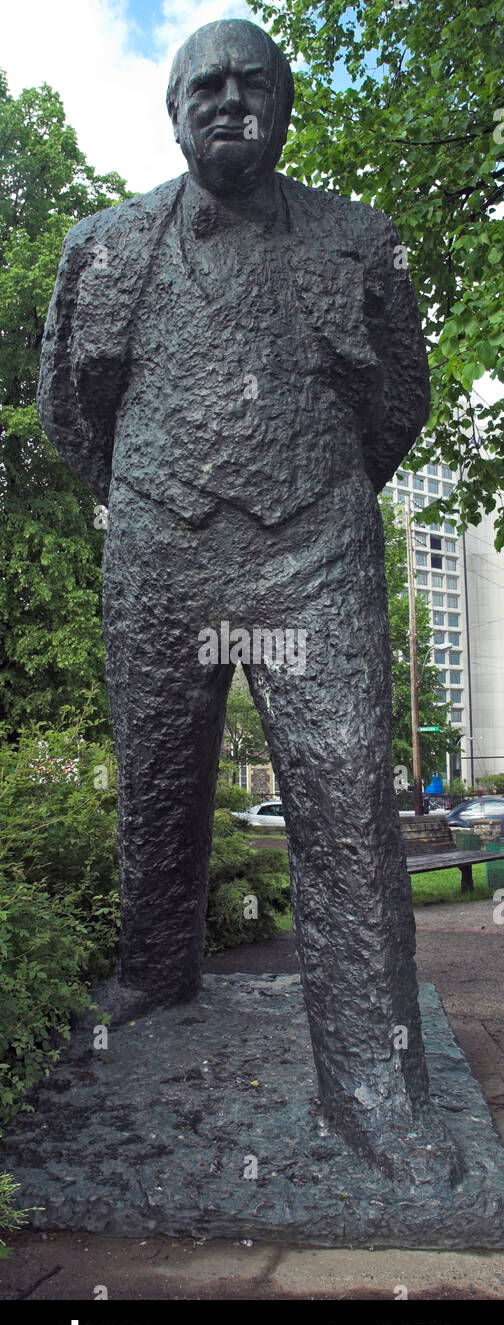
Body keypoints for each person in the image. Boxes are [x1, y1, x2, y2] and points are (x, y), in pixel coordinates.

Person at [37, 19, 459, 1181]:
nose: (229, 101)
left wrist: (314, 495)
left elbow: (401, 404)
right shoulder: (105, 246)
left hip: (312, 558)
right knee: (160, 781)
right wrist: (152, 508)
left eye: (252, 84)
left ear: (285, 102)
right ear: (172, 112)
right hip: (159, 558)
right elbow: (74, 414)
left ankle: (374, 1086)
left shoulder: (358, 241)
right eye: (205, 86)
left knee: (345, 814)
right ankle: (157, 968)